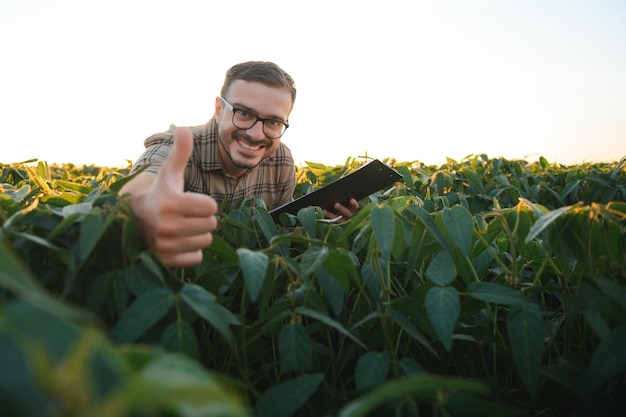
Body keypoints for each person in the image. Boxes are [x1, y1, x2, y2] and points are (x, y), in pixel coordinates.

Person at [121, 61, 359, 268]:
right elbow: (139, 188)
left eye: (274, 122)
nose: (256, 134)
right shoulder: (177, 149)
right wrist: (141, 207)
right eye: (244, 113)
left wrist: (319, 224)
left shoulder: (281, 160)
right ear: (218, 109)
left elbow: (279, 231)